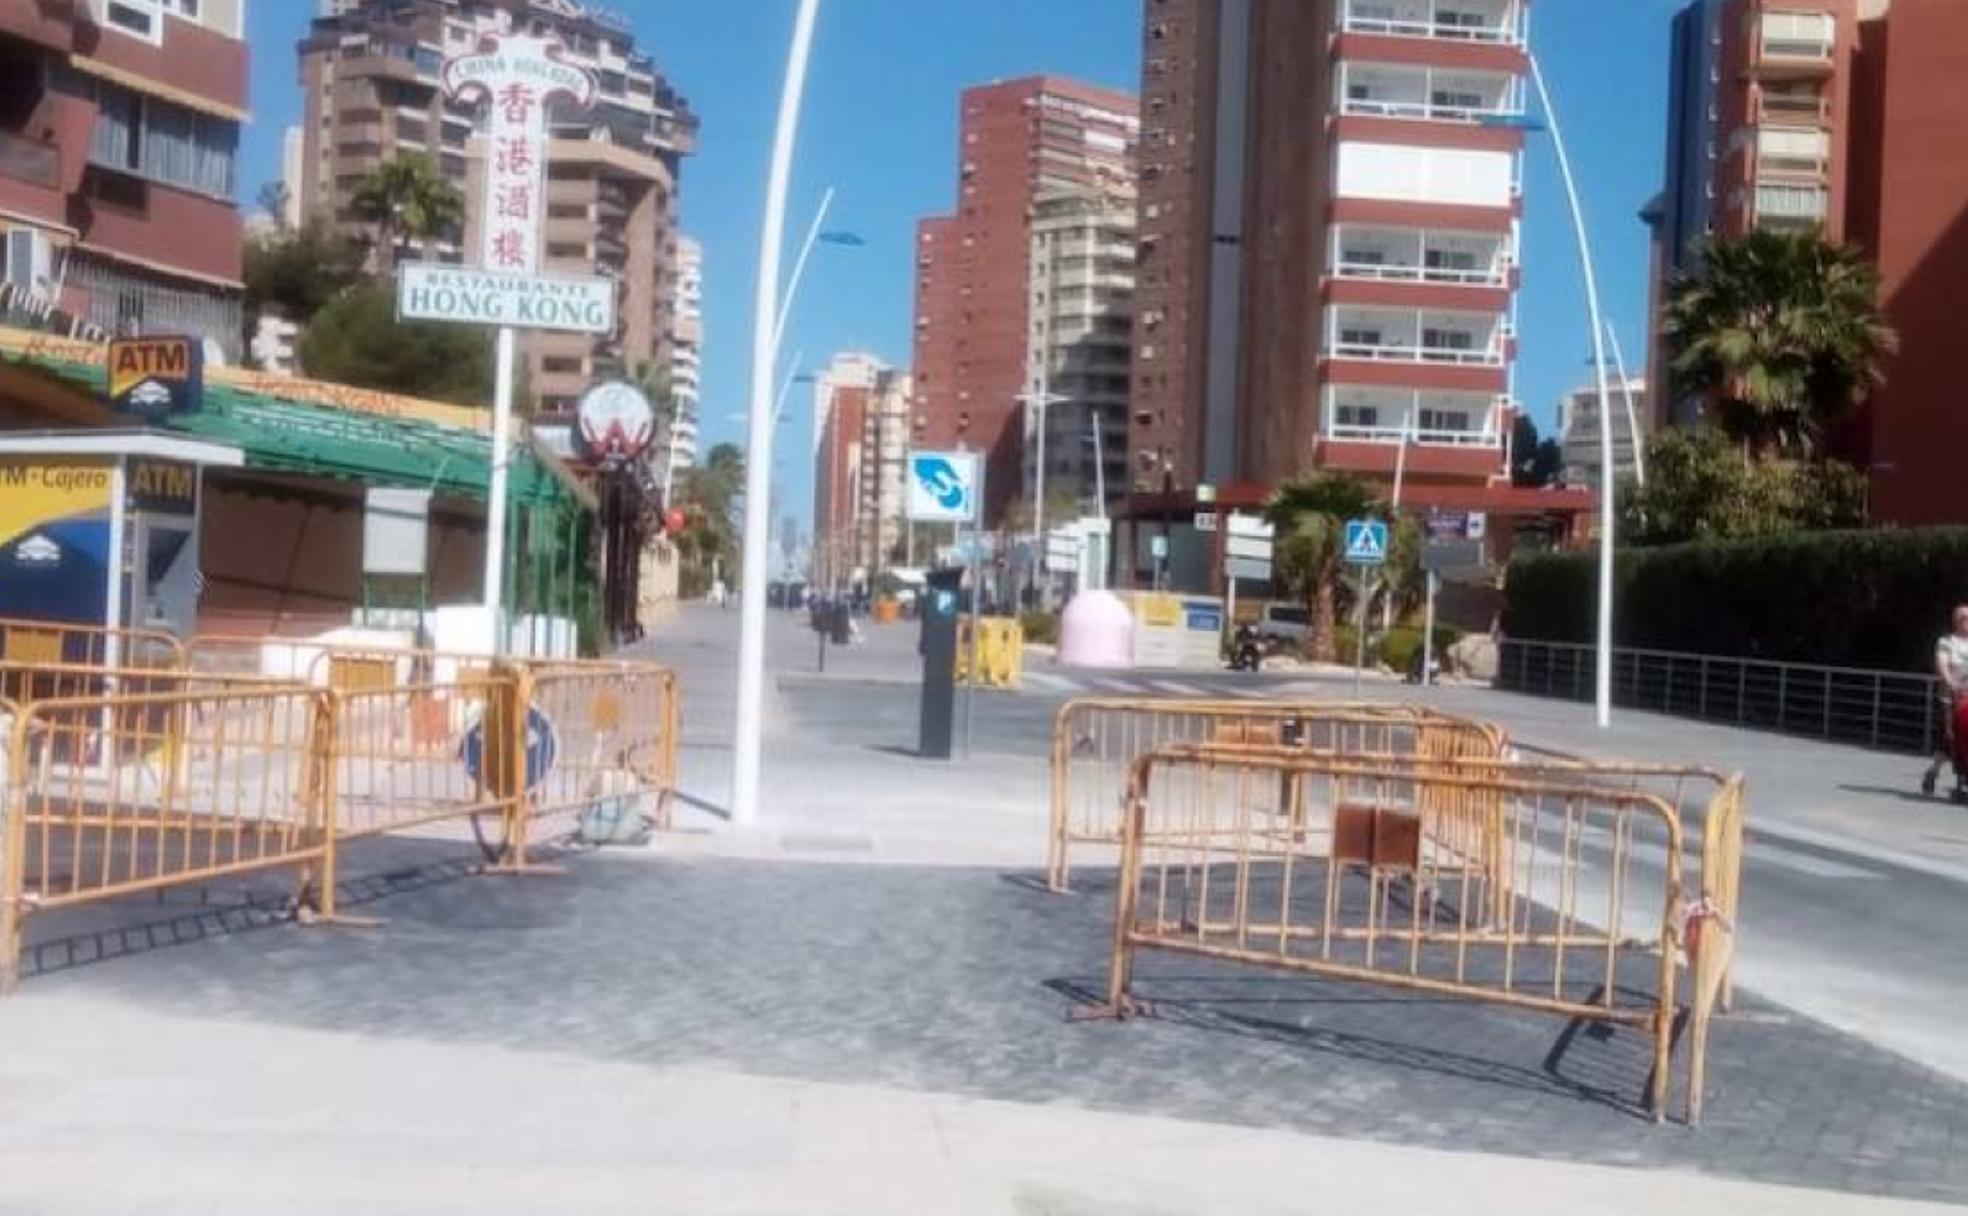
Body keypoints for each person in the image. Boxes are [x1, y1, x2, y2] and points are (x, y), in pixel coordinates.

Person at [1921, 604, 1968, 796]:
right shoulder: (1946, 642)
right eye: (1962, 618)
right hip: (1950, 699)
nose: (1966, 621)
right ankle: (1934, 772)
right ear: (1955, 621)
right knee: (1949, 740)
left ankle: (1961, 777)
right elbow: (1942, 665)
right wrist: (1951, 682)